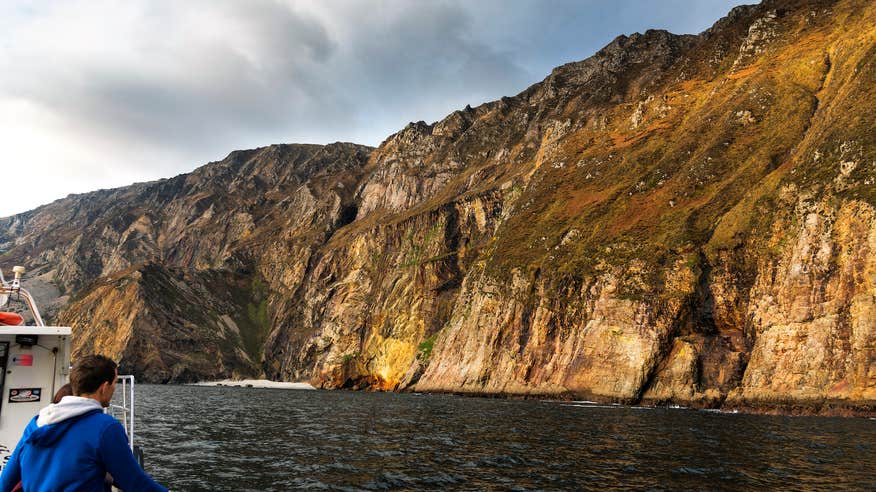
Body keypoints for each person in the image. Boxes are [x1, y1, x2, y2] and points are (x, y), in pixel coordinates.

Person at [0, 355, 167, 492]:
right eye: (115, 383)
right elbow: (133, 482)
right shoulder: (106, 427)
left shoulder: (36, 422)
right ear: (104, 387)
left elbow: (5, 482)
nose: (114, 388)